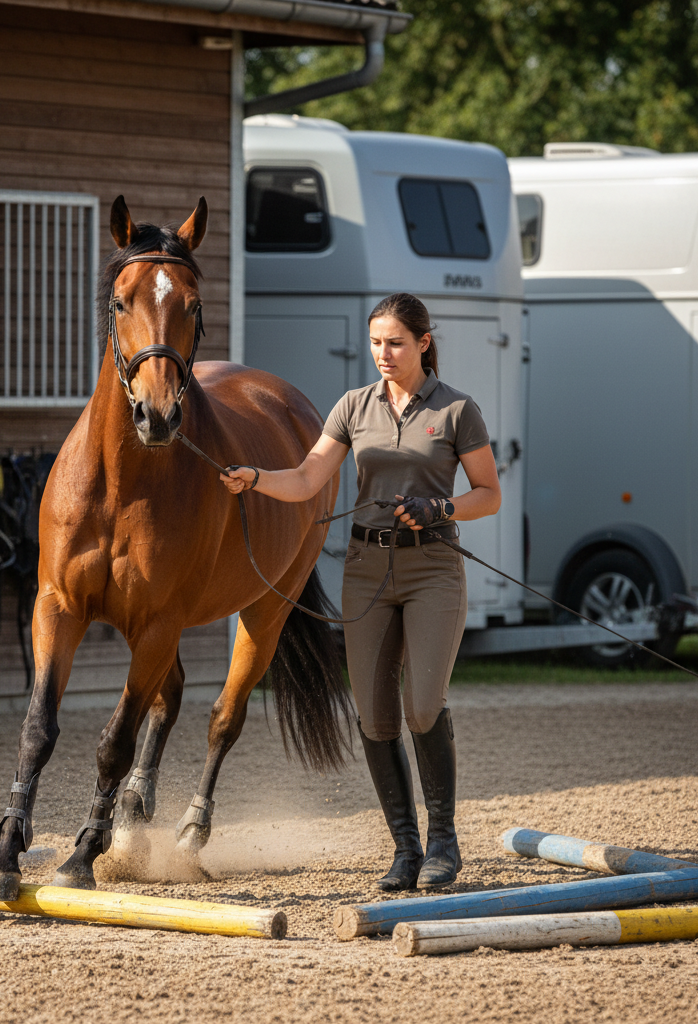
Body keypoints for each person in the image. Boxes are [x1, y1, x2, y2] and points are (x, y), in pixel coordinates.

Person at [221, 292, 501, 890]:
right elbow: (305, 478)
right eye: (375, 342)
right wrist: (255, 478)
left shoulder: (457, 410)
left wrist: (441, 507)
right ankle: (405, 849)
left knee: (421, 705)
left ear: (423, 343)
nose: (383, 353)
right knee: (374, 717)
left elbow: (489, 495)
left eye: (395, 343)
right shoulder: (353, 406)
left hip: (433, 569)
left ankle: (443, 842)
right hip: (366, 568)